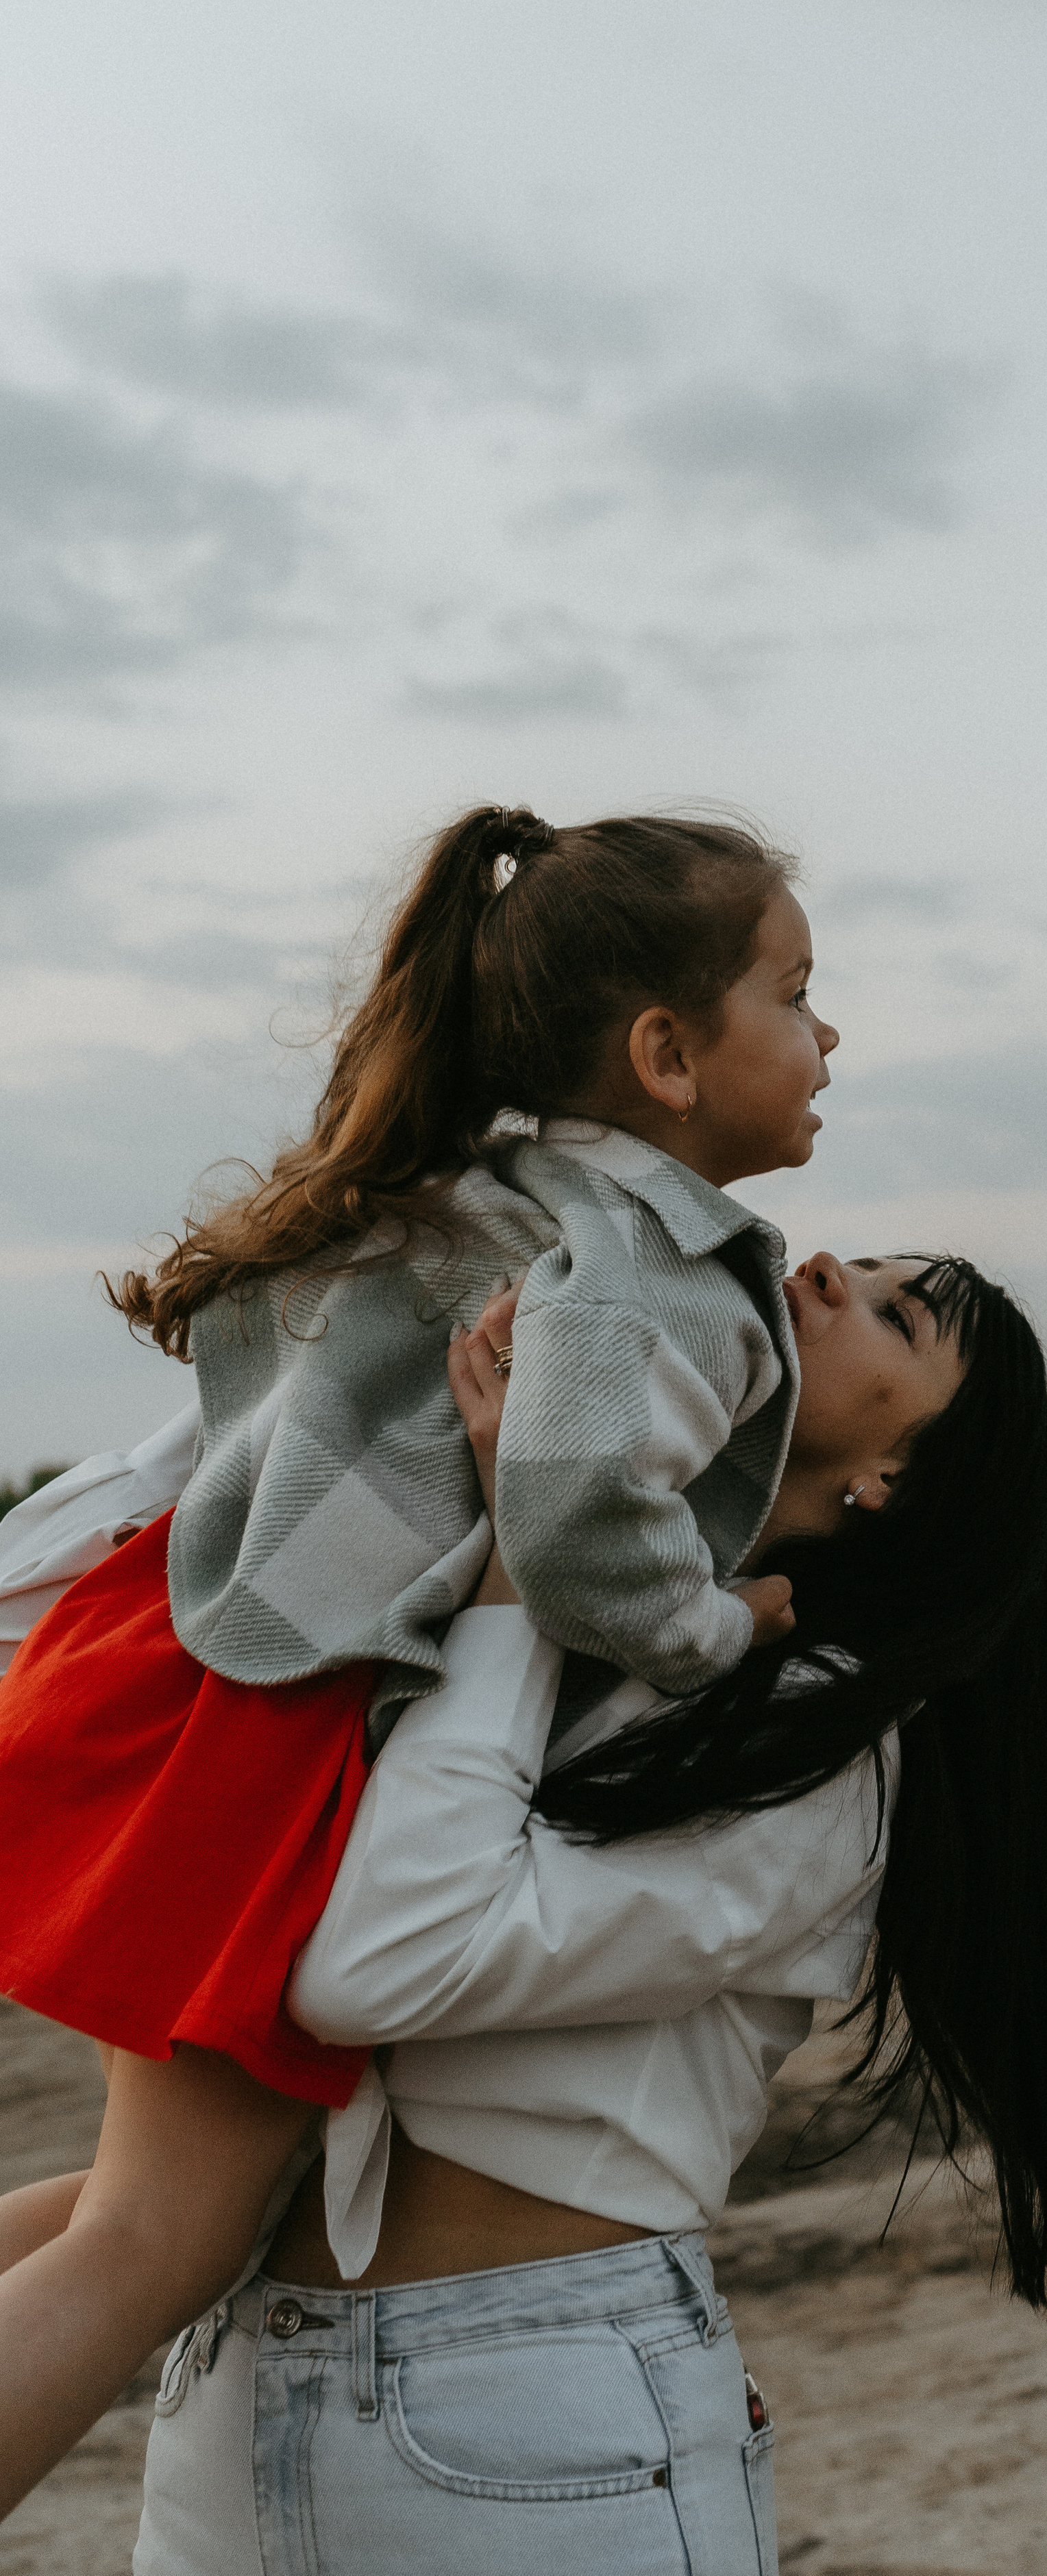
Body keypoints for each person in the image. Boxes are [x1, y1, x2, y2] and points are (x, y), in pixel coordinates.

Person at [103, 1245, 1047, 2572]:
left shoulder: (820, 1755)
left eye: (894, 1315)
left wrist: (523, 1549)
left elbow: (376, 1964)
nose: (826, 1267)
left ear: (888, 1478)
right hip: (244, 2378)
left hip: (523, 2413)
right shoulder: (590, 1614)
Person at [0, 799, 840, 2518]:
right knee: (154, 2240)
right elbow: (577, 1522)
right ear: (669, 1054)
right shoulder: (645, 1267)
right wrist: (712, 1625)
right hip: (278, 1728)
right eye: (795, 993)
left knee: (132, 2204)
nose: (829, 1035)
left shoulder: (488, 1190)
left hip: (191, 1661)